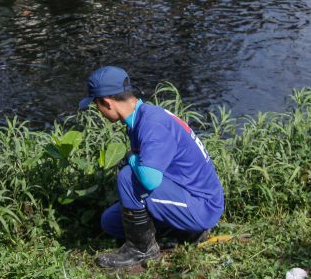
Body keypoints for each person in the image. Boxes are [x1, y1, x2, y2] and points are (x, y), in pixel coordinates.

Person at [77, 66, 225, 268]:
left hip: (202, 206)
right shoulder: (139, 118)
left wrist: (130, 157)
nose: (98, 112)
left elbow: (149, 179)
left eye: (96, 106)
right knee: (110, 222)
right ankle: (183, 232)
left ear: (107, 103)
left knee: (128, 177)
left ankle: (142, 250)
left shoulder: (152, 124)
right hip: (182, 194)